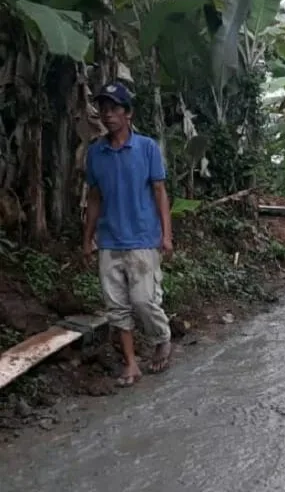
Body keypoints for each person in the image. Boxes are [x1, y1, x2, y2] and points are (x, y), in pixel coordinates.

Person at [83, 81, 174, 387]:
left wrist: (166, 234)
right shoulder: (96, 153)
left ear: (128, 114)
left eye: (115, 109)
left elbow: (159, 191)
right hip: (110, 240)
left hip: (142, 237)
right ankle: (132, 364)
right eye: (103, 109)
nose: (108, 115)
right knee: (117, 307)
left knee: (143, 300)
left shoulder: (147, 148)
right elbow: (94, 197)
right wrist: (88, 237)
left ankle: (162, 337)